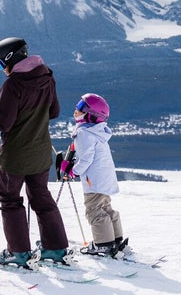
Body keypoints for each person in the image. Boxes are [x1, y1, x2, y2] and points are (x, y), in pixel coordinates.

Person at [0, 37, 69, 267]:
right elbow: (54, 111)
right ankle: (55, 249)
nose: (1, 70)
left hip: (16, 154)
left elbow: (5, 123)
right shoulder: (47, 76)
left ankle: (18, 253)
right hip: (40, 150)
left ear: (10, 58)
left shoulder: (13, 84)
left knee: (10, 200)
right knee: (41, 198)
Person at [59, 93, 127, 257]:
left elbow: (86, 159)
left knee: (94, 210)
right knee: (105, 207)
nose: (76, 110)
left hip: (94, 181)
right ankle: (116, 240)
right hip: (104, 178)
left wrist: (72, 170)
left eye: (81, 108)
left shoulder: (84, 134)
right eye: (77, 106)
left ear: (91, 116)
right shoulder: (97, 131)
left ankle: (103, 244)